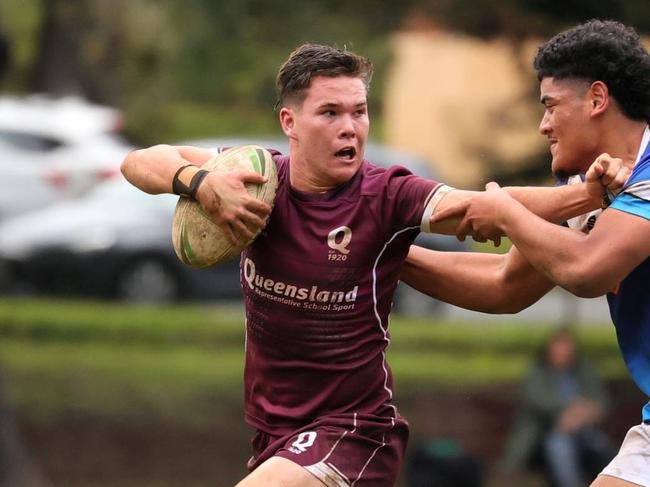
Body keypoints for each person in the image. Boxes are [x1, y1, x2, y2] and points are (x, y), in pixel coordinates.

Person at [121, 43, 624, 487]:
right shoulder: (258, 180)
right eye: (330, 113)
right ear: (289, 123)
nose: (350, 128)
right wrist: (199, 181)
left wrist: (589, 195)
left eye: (359, 112)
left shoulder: (387, 195)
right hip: (274, 434)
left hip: (353, 433)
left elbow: (482, 207)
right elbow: (140, 161)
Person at [401, 19, 650, 487]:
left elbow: (587, 269)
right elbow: (505, 285)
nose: (543, 126)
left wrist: (506, 211)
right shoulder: (589, 189)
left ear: (597, 100)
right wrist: (390, 260)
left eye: (551, 106)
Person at [502, 328, 615, 487]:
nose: (563, 355)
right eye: (558, 351)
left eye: (567, 351)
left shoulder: (584, 371)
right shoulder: (537, 374)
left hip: (584, 432)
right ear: (549, 351)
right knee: (559, 446)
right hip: (543, 436)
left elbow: (601, 403)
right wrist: (571, 411)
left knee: (602, 446)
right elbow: (539, 402)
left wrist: (580, 416)